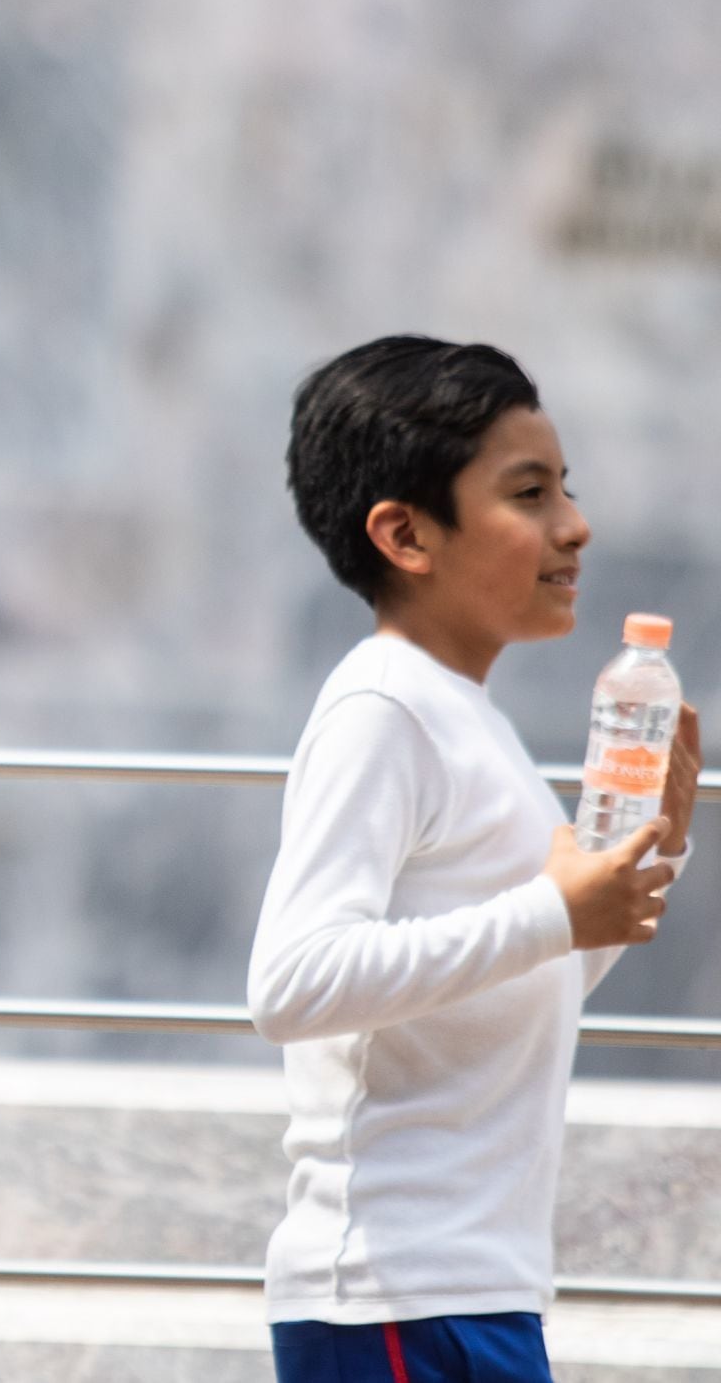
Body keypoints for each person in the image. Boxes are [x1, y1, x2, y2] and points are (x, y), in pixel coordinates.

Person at [247, 335, 700, 1382]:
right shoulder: (382, 710)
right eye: (529, 493)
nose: (574, 527)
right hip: (395, 1294)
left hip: (469, 1283)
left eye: (565, 489)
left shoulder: (464, 715)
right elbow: (290, 982)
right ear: (406, 534)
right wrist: (553, 908)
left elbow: (525, 974)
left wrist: (640, 866)